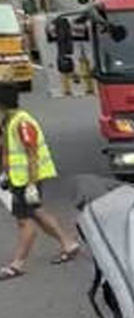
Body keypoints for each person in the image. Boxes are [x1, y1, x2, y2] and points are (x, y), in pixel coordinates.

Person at [1, 83, 80, 280]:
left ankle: (17, 264)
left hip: (27, 180)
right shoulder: (9, 120)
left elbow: (32, 154)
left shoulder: (22, 122)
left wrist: (30, 185)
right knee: (37, 212)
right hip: (18, 178)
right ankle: (69, 244)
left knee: (24, 222)